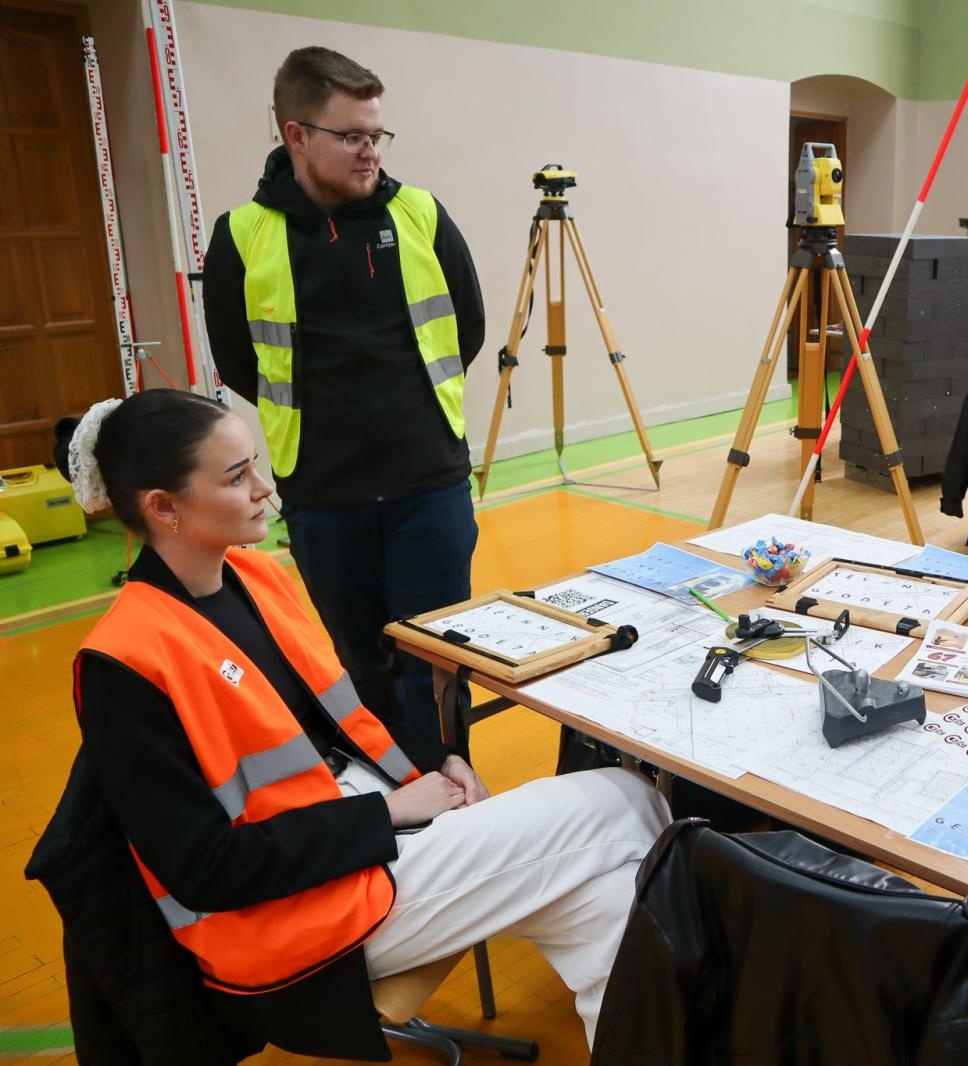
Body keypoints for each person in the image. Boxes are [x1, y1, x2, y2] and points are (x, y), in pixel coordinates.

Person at [53, 389, 670, 1054]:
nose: (264, 489)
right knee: (624, 797)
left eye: (256, 465)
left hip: (358, 842)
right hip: (292, 915)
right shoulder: (123, 662)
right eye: (236, 478)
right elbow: (203, 869)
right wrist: (391, 813)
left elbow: (337, 719)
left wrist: (434, 762)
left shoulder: (256, 576)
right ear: (163, 507)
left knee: (611, 911)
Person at [203, 46, 485, 766]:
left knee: (439, 658)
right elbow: (241, 361)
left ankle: (455, 796)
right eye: (351, 136)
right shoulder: (241, 236)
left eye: (376, 135)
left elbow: (467, 328)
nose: (370, 153)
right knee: (364, 665)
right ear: (296, 135)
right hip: (325, 493)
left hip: (429, 483)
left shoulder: (419, 213)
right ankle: (400, 800)